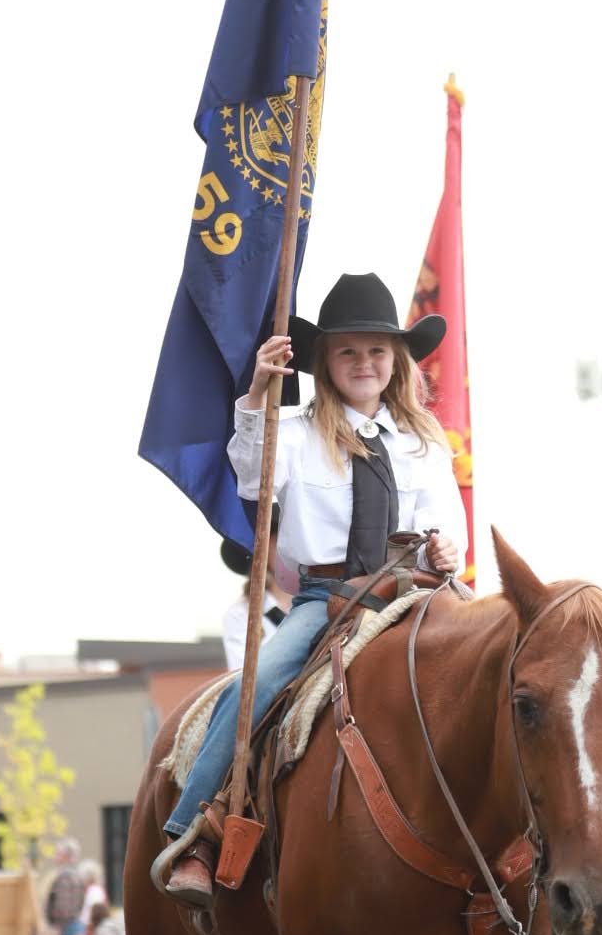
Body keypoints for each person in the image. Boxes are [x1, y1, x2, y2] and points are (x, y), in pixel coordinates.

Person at [157, 271, 465, 903]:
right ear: (326, 362)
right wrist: (258, 395)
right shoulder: (292, 433)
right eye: (348, 351)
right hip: (329, 601)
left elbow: (449, 530)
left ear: (396, 361)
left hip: (415, 596)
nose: (364, 363)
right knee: (258, 683)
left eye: (377, 351)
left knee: (498, 668)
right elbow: (250, 481)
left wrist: (448, 549)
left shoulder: (425, 444)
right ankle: (199, 829)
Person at [220, 508, 290, 672]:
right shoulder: (240, 613)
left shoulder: (321, 604)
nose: (288, 549)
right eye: (279, 542)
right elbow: (240, 672)